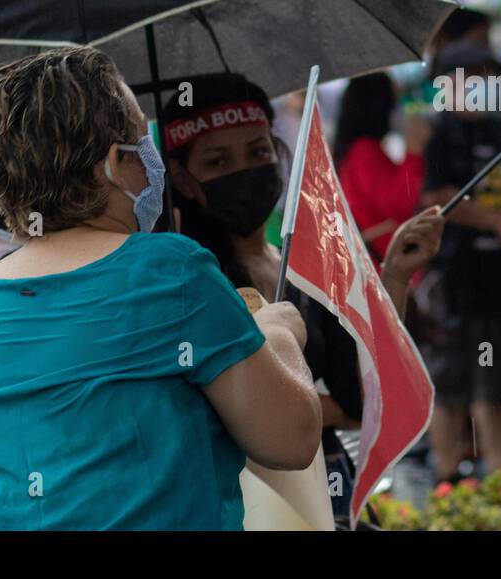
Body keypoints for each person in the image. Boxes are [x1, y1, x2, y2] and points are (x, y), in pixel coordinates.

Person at [0, 48, 322, 530]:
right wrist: (278, 332)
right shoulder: (169, 269)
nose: (152, 162)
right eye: (143, 144)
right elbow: (291, 438)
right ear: (114, 165)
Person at [160, 72, 443, 521]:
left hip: (328, 493)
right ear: (182, 178)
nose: (243, 172)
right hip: (246, 505)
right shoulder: (187, 284)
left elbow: (363, 397)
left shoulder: (304, 265)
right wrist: (304, 414)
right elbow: (218, 416)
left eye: (257, 152)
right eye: (217, 162)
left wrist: (394, 280)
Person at [422, 39, 501, 480]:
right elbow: (440, 199)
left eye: (488, 74)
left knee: (500, 382)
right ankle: (446, 473)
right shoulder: (441, 137)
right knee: (453, 383)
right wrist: (498, 224)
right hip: (460, 283)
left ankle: (497, 471)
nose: (486, 83)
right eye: (473, 75)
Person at [334, 72, 430, 265]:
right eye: (394, 100)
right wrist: (414, 152)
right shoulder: (364, 151)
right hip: (383, 267)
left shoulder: (361, 149)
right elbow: (399, 204)